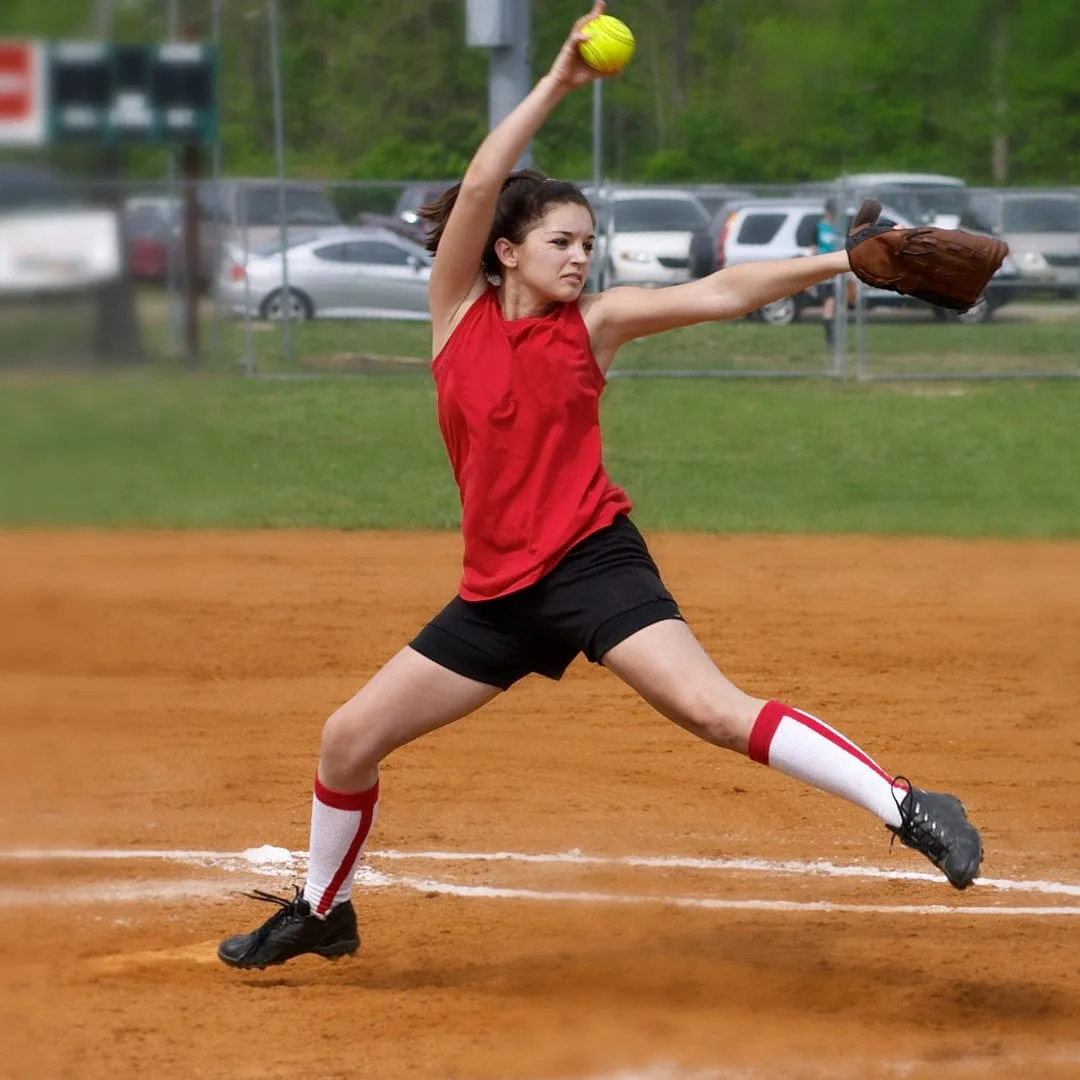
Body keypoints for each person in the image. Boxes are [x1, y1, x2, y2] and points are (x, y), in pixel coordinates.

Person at [217, 3, 983, 971]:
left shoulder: (597, 325)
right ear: (504, 250)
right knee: (346, 742)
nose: (581, 256)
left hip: (591, 561)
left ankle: (906, 805)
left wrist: (844, 259)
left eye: (588, 241)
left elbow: (720, 293)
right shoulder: (457, 315)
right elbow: (488, 180)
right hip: (495, 594)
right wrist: (557, 84)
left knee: (711, 709)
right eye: (560, 242)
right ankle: (324, 910)